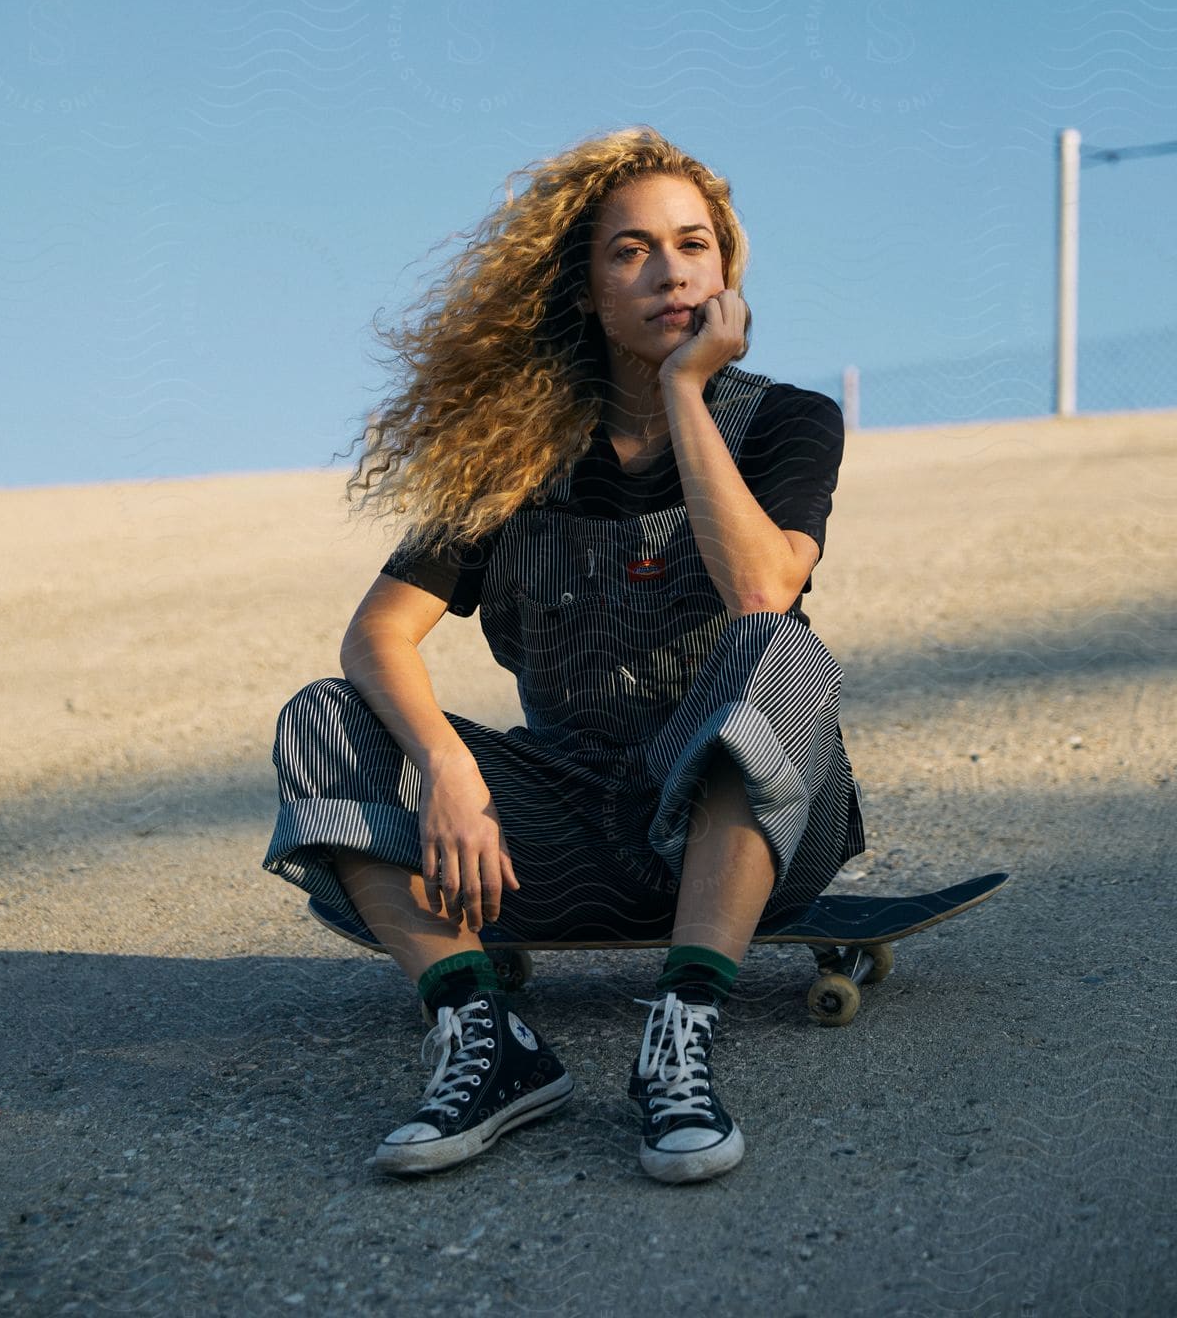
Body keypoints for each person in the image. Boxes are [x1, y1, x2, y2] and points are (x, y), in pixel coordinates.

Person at [261, 126, 865, 1183]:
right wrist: (448, 768)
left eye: (694, 244)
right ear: (585, 290)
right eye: (631, 250)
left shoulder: (785, 421)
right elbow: (378, 633)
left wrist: (686, 395)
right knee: (328, 716)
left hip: (756, 836)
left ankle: (680, 1035)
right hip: (563, 832)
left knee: (779, 649)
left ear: (725, 270)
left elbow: (762, 587)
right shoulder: (515, 456)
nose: (671, 270)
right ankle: (487, 1042)